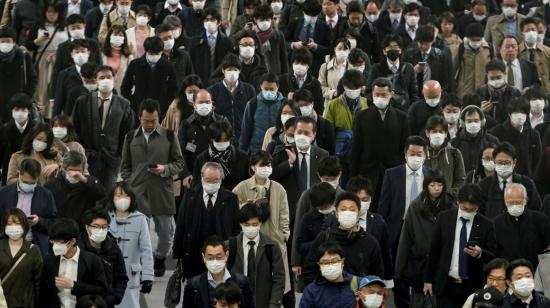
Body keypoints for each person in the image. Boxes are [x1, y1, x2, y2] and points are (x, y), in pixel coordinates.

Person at [120, 99, 184, 277]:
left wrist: (165, 169)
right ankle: (143, 263)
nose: (149, 124)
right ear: (139, 118)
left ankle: (160, 257)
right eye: (146, 120)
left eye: (153, 120)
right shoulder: (131, 137)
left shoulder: (169, 136)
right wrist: (130, 181)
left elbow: (179, 163)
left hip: (162, 191)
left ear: (159, 118)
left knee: (166, 233)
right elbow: (124, 166)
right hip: (138, 193)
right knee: (140, 233)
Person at [423, 184, 497, 308]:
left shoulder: (486, 225)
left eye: (472, 209)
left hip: (472, 286)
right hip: (446, 285)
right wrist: (428, 280)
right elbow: (434, 250)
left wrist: (480, 253)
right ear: (458, 202)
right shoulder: (444, 218)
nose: (467, 212)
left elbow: (494, 255)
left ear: (478, 207)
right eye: (464, 208)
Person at [378, 135, 430, 307]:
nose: (416, 157)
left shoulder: (432, 175)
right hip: (398, 228)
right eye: (412, 153)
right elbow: (384, 206)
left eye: (419, 154)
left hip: (423, 229)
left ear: (425, 155)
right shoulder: (392, 174)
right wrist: (382, 231)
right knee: (399, 269)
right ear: (405, 154)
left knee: (419, 267)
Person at [395, 171, 455, 307]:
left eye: (439, 185)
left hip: (443, 264)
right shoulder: (415, 206)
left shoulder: (451, 206)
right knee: (419, 301)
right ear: (426, 186)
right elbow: (406, 238)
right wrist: (399, 269)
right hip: (420, 263)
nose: (436, 188)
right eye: (432, 185)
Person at [173, 162, 241, 279]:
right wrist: (178, 254)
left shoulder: (231, 199)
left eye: (216, 180)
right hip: (194, 253)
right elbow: (181, 225)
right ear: (202, 178)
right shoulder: (190, 196)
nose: (212, 183)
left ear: (221, 179)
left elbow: (236, 228)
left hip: (220, 255)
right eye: (208, 180)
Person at [72, 65, 135, 192]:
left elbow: (128, 134)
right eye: (102, 77)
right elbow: (75, 128)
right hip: (88, 158)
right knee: (87, 192)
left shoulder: (124, 104)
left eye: (108, 77)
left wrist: (119, 156)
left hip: (112, 161)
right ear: (96, 80)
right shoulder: (83, 101)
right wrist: (82, 151)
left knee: (107, 195)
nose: (105, 80)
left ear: (114, 78)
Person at [303, 192, 384, 286]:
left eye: (352, 209)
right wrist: (316, 292)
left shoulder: (370, 242)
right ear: (337, 214)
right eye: (343, 209)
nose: (347, 213)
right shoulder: (325, 237)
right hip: (326, 295)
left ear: (358, 214)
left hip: (357, 296)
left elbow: (377, 274)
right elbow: (310, 268)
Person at [232, 150, 290, 276]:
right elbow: (233, 213)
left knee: (275, 279)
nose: (266, 169)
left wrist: (284, 235)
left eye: (269, 165)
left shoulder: (278, 188)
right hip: (249, 239)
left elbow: (284, 215)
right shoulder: (241, 187)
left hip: (274, 239)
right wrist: (245, 207)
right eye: (262, 165)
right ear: (253, 167)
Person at [351, 77, 409, 195]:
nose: (380, 98)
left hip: (392, 172)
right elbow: (356, 148)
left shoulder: (402, 117)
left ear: (391, 94)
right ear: (372, 94)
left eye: (383, 94)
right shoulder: (361, 116)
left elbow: (404, 148)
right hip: (367, 173)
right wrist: (354, 177)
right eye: (377, 94)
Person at [226, 202, 285, 308]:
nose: (251, 228)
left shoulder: (271, 246)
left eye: (254, 224)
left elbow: (279, 279)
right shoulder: (230, 246)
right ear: (240, 224)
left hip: (263, 302)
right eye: (247, 225)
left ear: (260, 223)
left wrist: (273, 305)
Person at [39, 218, 108, 308]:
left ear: (72, 241)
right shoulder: (49, 261)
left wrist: (74, 285)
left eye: (59, 242)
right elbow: (43, 294)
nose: (55, 246)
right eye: (53, 242)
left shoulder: (92, 260)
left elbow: (102, 290)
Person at [106, 182, 154, 308]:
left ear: (132, 198)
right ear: (112, 198)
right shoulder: (105, 217)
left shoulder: (140, 219)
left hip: (131, 275)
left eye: (126, 196)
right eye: (118, 195)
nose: (122, 199)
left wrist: (148, 276)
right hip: (108, 274)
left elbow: (146, 249)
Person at [182, 236, 255, 308]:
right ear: (203, 257)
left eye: (219, 257)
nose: (215, 261)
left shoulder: (242, 282)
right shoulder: (193, 284)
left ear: (226, 255)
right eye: (210, 258)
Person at [24, 2, 67, 119]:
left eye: (54, 12)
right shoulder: (38, 25)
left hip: (60, 59)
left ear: (59, 13)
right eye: (49, 12)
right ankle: (41, 116)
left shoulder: (64, 25)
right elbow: (28, 45)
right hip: (42, 59)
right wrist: (38, 41)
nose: (52, 15)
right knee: (42, 89)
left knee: (56, 87)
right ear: (45, 13)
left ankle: (56, 116)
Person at [178, 90, 229, 188]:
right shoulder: (186, 125)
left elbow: (231, 147)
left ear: (212, 104)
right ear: (194, 104)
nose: (204, 105)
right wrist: (185, 175)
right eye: (200, 102)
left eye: (207, 102)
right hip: (193, 179)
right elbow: (180, 154)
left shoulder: (222, 121)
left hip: (219, 178)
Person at [78, 207, 128, 307]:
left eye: (104, 227)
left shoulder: (113, 248)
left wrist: (115, 297)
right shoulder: (78, 249)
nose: (100, 230)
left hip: (106, 303)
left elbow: (121, 278)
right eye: (96, 227)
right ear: (87, 227)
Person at [478, 142, 541, 218]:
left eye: (507, 163)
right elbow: (479, 213)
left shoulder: (527, 183)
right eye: (500, 162)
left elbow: (536, 211)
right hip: (493, 227)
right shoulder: (484, 185)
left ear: (514, 162)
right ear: (494, 162)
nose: (503, 165)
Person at [494, 183, 550, 269]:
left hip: (537, 272)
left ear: (525, 200)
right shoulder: (497, 223)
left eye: (518, 202)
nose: (515, 206)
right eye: (511, 202)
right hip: (509, 273)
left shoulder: (541, 220)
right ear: (505, 201)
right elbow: (495, 253)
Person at [121, 36, 178, 118]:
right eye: (151, 53)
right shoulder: (135, 64)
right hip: (138, 110)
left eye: (157, 54)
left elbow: (174, 89)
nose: (154, 56)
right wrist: (133, 103)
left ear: (162, 52)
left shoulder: (168, 66)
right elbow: (125, 87)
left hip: (161, 111)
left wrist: (166, 103)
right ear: (146, 51)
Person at [44, 151, 105, 225]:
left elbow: (101, 194)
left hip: (81, 228)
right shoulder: (52, 185)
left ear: (83, 169)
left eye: (79, 171)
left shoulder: (89, 184)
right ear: (64, 168)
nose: (75, 174)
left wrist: (84, 180)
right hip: (59, 227)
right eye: (71, 170)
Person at [207, 53, 256, 144]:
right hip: (221, 139)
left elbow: (253, 116)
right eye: (229, 70)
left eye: (235, 69)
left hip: (244, 139)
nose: (232, 72)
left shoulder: (249, 90)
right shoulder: (213, 91)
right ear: (223, 70)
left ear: (239, 71)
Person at [293, 181, 336, 283]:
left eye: (327, 205)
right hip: (314, 269)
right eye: (321, 207)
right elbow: (300, 246)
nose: (325, 209)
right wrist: (318, 243)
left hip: (336, 266)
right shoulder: (308, 218)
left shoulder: (338, 216)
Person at [0, 208, 42, 308]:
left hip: (25, 304)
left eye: (18, 223)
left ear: (24, 225)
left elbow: (38, 282)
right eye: (9, 224)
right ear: (4, 226)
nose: (13, 227)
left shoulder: (33, 250)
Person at [490, 98, 542, 178]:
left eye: (523, 112)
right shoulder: (496, 132)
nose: (520, 115)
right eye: (516, 112)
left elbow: (537, 161)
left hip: (527, 180)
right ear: (509, 114)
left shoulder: (534, 134)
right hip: (504, 178)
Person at [299, 241, 360, 308]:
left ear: (342, 262)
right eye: (325, 263)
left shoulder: (358, 283)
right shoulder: (311, 291)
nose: (330, 265)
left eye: (334, 261)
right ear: (319, 265)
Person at [193, 120, 250, 190]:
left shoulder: (243, 158)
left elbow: (248, 183)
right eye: (218, 140)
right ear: (212, 139)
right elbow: (196, 186)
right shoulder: (201, 159)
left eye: (225, 140)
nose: (222, 143)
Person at [366, 34, 418, 110]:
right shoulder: (376, 68)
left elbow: (413, 93)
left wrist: (412, 111)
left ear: (400, 50)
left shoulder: (409, 68)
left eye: (396, 47)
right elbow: (369, 91)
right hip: (382, 109)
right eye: (390, 47)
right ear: (384, 51)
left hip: (404, 110)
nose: (393, 49)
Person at [51, 14, 102, 91]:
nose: (76, 30)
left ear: (84, 26)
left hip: (92, 84)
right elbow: (57, 70)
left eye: (78, 27)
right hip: (69, 86)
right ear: (68, 29)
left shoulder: (93, 44)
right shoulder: (62, 47)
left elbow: (99, 64)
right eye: (73, 28)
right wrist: (53, 96)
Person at [239, 72, 285, 153]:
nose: (269, 92)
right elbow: (245, 131)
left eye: (272, 89)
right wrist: (242, 152)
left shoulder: (284, 103)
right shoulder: (252, 104)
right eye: (266, 89)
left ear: (278, 87)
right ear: (261, 86)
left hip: (279, 149)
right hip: (257, 151)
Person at [188, 8, 234, 87]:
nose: (209, 22)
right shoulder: (195, 41)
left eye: (212, 20)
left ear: (219, 22)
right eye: (206, 20)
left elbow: (229, 63)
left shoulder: (227, 42)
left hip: (220, 82)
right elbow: (191, 63)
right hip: (200, 81)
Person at [402, 25, 454, 93]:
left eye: (426, 43)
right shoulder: (408, 54)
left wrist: (440, 92)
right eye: (421, 43)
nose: (423, 46)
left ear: (432, 41)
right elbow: (400, 77)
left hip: (436, 94)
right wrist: (413, 71)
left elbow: (448, 80)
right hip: (414, 95)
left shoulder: (441, 56)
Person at [285, 0, 330, 77]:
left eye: (314, 16)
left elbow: (329, 48)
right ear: (303, 12)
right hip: (295, 62)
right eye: (308, 15)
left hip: (315, 65)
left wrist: (315, 46)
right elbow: (284, 42)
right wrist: (293, 45)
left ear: (318, 14)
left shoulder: (324, 27)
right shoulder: (295, 23)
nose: (310, 18)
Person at [0, 27, 36, 123]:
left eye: (8, 41)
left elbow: (32, 78)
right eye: (2, 41)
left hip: (19, 104)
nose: (4, 44)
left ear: (14, 42)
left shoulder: (23, 57)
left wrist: (27, 96)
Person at [0, 93, 38, 185]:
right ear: (12, 111)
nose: (20, 112)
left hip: (32, 170)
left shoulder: (37, 128)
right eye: (17, 109)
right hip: (9, 170)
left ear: (29, 111)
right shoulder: (4, 129)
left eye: (23, 109)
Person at [424, 115, 466, 197]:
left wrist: (450, 194)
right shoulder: (422, 153)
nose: (437, 134)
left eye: (441, 131)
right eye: (434, 131)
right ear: (427, 133)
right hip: (425, 200)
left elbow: (461, 179)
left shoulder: (455, 153)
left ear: (446, 134)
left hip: (447, 201)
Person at [451, 103, 499, 173]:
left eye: (476, 120)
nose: (473, 124)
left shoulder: (492, 140)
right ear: (463, 123)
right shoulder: (454, 143)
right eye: (469, 121)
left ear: (482, 122)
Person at [53, 39, 94, 116]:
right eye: (77, 52)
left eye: (83, 51)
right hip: (71, 116)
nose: (80, 54)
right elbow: (58, 101)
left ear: (88, 52)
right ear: (71, 54)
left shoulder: (97, 72)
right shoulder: (64, 74)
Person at [476, 59, 522, 126]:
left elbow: (521, 115)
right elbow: (472, 116)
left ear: (505, 74)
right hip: (486, 131)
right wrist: (480, 111)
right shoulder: (480, 92)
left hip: (507, 131)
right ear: (487, 76)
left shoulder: (514, 92)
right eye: (492, 78)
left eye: (498, 77)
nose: (495, 80)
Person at [278, 48, 324, 115]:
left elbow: (319, 108)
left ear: (308, 65)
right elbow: (276, 103)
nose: (299, 65)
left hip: (307, 121)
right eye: (297, 62)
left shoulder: (315, 83)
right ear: (292, 63)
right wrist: (286, 98)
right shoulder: (282, 80)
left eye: (303, 63)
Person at [456, 23, 494, 99]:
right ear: (467, 38)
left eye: (478, 40)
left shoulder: (489, 49)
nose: (476, 42)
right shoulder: (461, 48)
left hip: (484, 92)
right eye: (473, 40)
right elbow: (453, 69)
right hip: (465, 92)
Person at [293, 89, 334, 154]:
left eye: (306, 105)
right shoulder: (292, 124)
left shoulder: (326, 125)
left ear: (312, 104)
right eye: (300, 105)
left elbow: (331, 151)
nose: (303, 108)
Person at [254, 4, 288, 76]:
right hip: (257, 75)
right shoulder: (251, 36)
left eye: (267, 19)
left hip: (275, 74)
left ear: (271, 19)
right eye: (262, 20)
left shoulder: (278, 35)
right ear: (255, 19)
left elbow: (283, 58)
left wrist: (285, 77)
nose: (265, 22)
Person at [156, 23, 193, 88]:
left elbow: (190, 77)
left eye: (170, 37)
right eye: (165, 38)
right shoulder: (153, 57)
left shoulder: (184, 55)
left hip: (180, 95)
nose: (168, 40)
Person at [519, 17, 550, 91]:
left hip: (545, 92)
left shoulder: (547, 51)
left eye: (533, 30)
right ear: (522, 34)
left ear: (537, 32)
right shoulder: (517, 52)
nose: (531, 32)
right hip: (524, 93)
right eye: (527, 30)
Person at [319, 38, 351, 107]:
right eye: (339, 48)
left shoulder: (352, 68)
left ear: (349, 51)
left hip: (347, 105)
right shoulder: (325, 67)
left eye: (345, 49)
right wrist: (333, 93)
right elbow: (321, 87)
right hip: (330, 105)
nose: (342, 51)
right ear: (334, 49)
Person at [102, 25, 134, 94]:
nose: (118, 37)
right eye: (115, 35)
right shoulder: (102, 55)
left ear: (124, 39)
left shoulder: (129, 57)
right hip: (104, 91)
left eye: (120, 35)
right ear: (109, 36)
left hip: (122, 92)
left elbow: (132, 77)